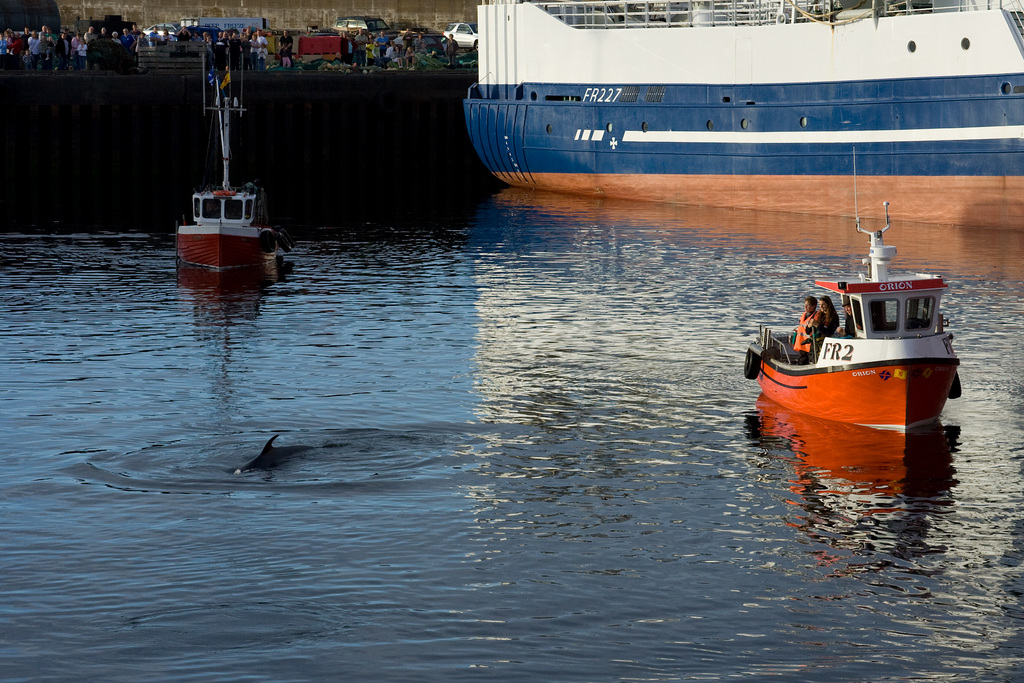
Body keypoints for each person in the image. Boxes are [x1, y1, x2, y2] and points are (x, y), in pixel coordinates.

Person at [793, 295, 818, 364]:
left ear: (814, 306)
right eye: (805, 305)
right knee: (801, 361)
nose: (805, 307)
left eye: (808, 305)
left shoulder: (816, 316)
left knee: (809, 361)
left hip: (809, 345)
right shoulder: (803, 315)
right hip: (801, 344)